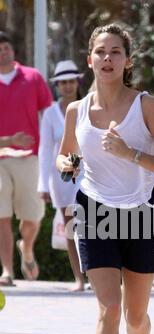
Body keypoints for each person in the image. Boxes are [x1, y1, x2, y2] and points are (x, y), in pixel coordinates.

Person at [57, 23, 154, 334]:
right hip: (94, 212)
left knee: (136, 316)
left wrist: (131, 153)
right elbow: (65, 157)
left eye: (115, 52)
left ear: (128, 60)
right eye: (100, 52)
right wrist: (68, 165)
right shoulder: (76, 110)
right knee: (108, 309)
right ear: (89, 58)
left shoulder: (146, 106)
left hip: (144, 212)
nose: (107, 59)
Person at [0, 31, 52, 287]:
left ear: (13, 50)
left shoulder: (32, 77)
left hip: (30, 159)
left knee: (32, 218)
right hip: (0, 159)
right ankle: (7, 271)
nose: (2, 51)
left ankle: (27, 248)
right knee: (2, 216)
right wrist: (9, 140)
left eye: (6, 46)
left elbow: (50, 116)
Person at [38, 60, 85, 292]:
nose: (67, 86)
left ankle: (98, 277)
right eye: (62, 82)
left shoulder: (88, 106)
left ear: (78, 82)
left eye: (71, 81)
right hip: (62, 178)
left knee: (93, 226)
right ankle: (79, 279)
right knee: (70, 229)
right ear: (57, 85)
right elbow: (46, 150)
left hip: (89, 174)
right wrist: (42, 184)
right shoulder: (50, 114)